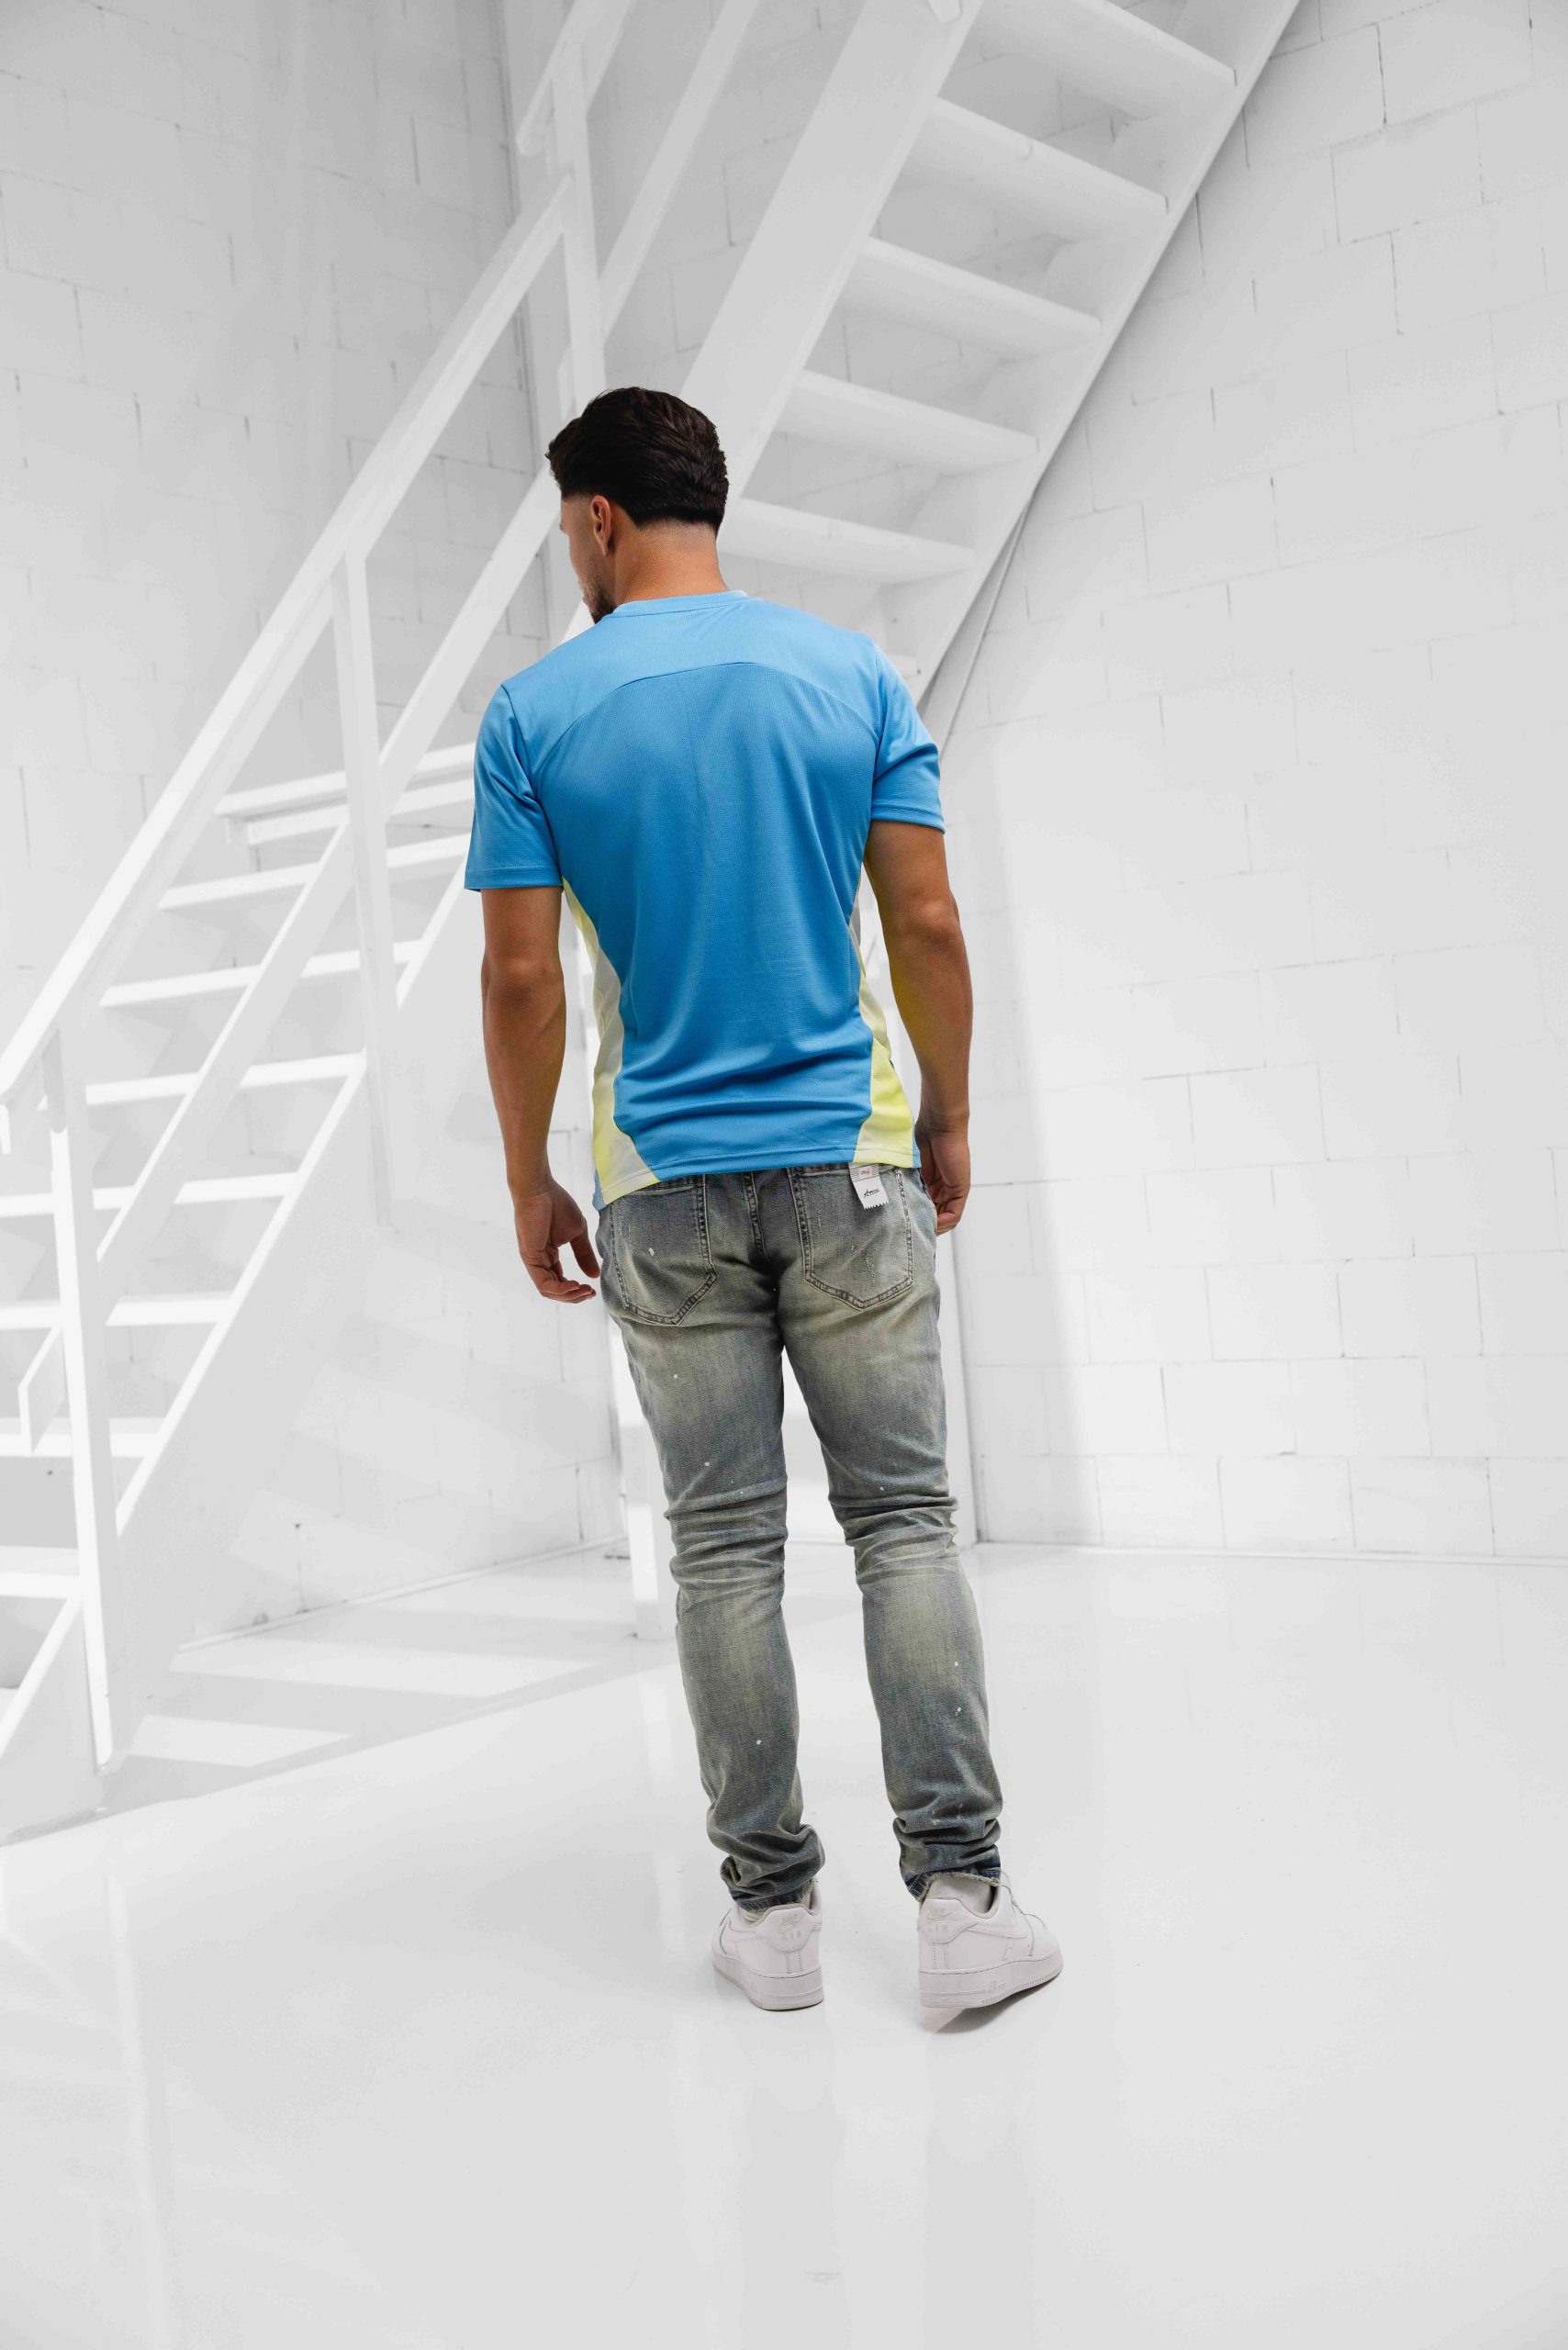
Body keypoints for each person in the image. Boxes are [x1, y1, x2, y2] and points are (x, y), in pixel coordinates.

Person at [465, 384, 1060, 2015]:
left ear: (597, 519)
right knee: (903, 1523)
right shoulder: (850, 674)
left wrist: (526, 1174)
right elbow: (926, 923)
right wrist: (950, 1111)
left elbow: (520, 980)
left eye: (566, 530)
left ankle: (774, 1921)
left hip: (658, 1185)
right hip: (851, 1157)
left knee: (723, 1549)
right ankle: (961, 1904)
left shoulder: (533, 715)